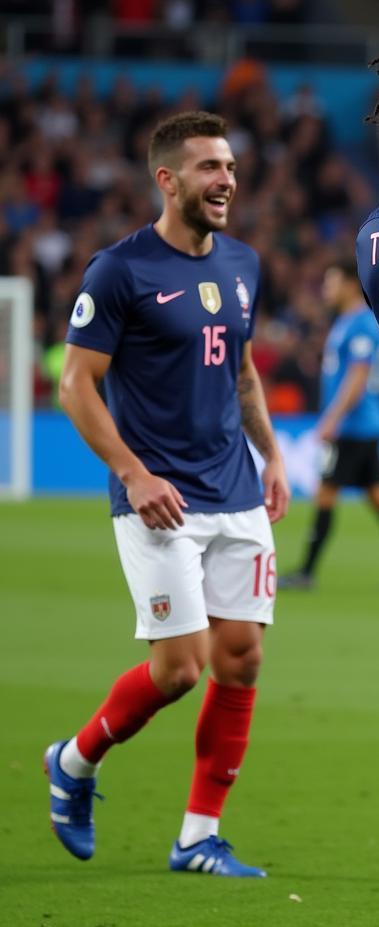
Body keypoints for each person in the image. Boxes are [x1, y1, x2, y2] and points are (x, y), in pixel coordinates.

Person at [45, 111, 290, 878]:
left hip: (237, 489)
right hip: (160, 499)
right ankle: (75, 761)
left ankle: (197, 837)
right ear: (168, 180)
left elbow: (242, 371)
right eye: (210, 169)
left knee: (241, 658)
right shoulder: (120, 271)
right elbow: (74, 384)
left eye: (230, 166)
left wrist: (274, 456)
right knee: (179, 670)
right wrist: (134, 473)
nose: (226, 181)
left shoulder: (243, 263)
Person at [279, 256, 379, 590]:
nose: (325, 289)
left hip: (354, 427)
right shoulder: (347, 322)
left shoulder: (360, 324)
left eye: (330, 282)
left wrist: (331, 419)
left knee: (325, 493)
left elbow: (358, 376)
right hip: (362, 426)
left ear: (347, 283)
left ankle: (306, 572)